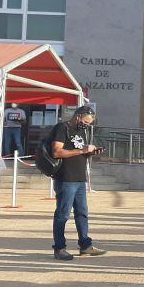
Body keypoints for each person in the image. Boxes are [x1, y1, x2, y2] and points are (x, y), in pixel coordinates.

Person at [50, 106, 107, 261]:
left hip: (79, 179)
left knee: (82, 213)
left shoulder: (82, 131)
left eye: (89, 124)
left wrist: (90, 152)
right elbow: (56, 151)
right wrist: (82, 150)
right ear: (78, 116)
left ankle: (85, 245)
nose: (86, 125)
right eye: (86, 122)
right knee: (62, 214)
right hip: (66, 178)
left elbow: (79, 151)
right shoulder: (62, 128)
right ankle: (59, 248)